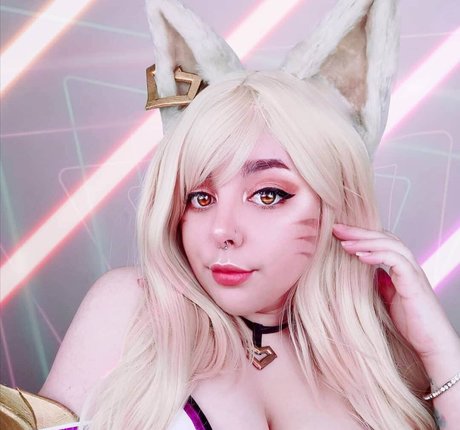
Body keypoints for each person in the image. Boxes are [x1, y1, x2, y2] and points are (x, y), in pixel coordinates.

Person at [13, 0, 460, 429]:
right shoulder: (133, 310)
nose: (222, 230)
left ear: (337, 200)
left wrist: (439, 350)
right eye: (200, 197)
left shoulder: (387, 359)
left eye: (267, 195)